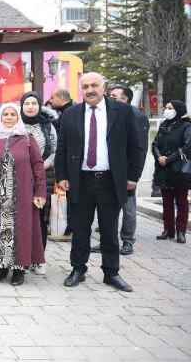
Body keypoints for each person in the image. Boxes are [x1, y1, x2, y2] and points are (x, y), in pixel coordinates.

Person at [56, 72, 143, 293]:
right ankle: (78, 269)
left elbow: (135, 145)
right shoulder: (71, 114)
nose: (90, 90)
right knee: (80, 228)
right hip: (80, 181)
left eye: (94, 85)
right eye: (85, 86)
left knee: (109, 229)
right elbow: (62, 147)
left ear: (104, 87)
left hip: (110, 181)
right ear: (81, 90)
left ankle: (111, 272)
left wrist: (132, 177)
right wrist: (62, 176)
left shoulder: (123, 111)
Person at [0, 103, 46, 286]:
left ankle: (19, 270)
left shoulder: (27, 139)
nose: (8, 117)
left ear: (18, 117)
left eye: (12, 114)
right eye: (5, 114)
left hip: (21, 195)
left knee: (20, 230)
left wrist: (40, 192)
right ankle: (0, 268)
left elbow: (38, 166)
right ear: (0, 117)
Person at [93, 86, 150, 254]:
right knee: (106, 209)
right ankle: (106, 241)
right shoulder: (106, 114)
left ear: (126, 99)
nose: (111, 99)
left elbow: (140, 149)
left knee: (128, 208)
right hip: (107, 170)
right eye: (110, 96)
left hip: (126, 171)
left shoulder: (137, 117)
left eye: (115, 97)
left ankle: (127, 241)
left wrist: (134, 176)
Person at [20, 91, 57, 276]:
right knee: (21, 218)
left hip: (43, 176)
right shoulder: (15, 123)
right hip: (19, 177)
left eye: (34, 103)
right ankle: (21, 257)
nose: (30, 107)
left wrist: (45, 164)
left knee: (40, 218)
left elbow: (56, 149)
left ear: (39, 105)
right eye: (27, 103)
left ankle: (38, 259)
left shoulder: (48, 126)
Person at [152, 100, 191, 244]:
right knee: (167, 202)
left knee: (181, 201)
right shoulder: (164, 125)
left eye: (170, 108)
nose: (166, 110)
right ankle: (168, 230)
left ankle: (181, 231)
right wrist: (159, 157)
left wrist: (169, 158)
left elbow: (187, 146)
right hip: (163, 169)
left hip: (179, 170)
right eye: (166, 107)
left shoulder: (187, 126)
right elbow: (155, 144)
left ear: (178, 110)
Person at [48, 87, 75, 242]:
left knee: (70, 196)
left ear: (61, 98)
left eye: (53, 97)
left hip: (69, 161)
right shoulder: (64, 112)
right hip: (65, 160)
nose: (51, 100)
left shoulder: (69, 113)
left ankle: (69, 229)